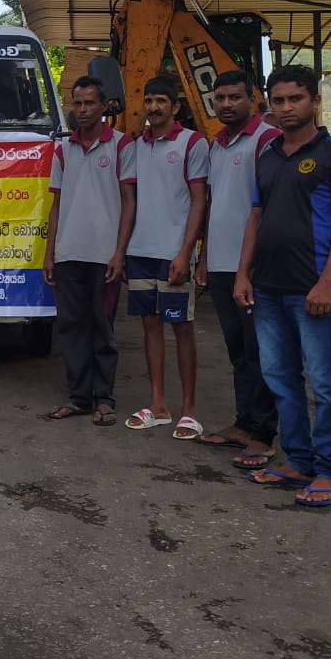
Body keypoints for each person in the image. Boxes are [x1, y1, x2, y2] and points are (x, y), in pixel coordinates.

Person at [235, 65, 331, 507]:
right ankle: (299, 461)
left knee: (325, 384)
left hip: (313, 290)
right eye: (278, 99)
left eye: (295, 98)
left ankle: (330, 472)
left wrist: (328, 283)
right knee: (280, 380)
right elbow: (256, 217)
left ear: (315, 101)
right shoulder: (268, 154)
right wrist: (243, 274)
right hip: (267, 289)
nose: (285, 107)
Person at [195, 71, 281, 468]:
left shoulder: (265, 140)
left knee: (262, 352)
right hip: (221, 264)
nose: (226, 104)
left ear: (252, 99)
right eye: (220, 98)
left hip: (255, 267)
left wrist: (250, 267)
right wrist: (205, 256)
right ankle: (243, 423)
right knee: (238, 352)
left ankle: (264, 434)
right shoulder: (216, 144)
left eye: (234, 97)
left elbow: (268, 206)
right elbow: (213, 203)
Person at [41, 76, 136, 426]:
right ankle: (79, 397)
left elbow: (129, 202)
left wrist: (119, 252)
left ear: (103, 106)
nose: (82, 110)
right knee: (71, 328)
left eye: (89, 103)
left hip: (104, 257)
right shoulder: (63, 150)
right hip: (68, 254)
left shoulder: (122, 146)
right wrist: (50, 254)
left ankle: (104, 399)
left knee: (103, 328)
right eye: (77, 104)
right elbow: (56, 204)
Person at [123, 76, 209, 439]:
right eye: (149, 100)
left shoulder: (192, 143)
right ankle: (158, 405)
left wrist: (186, 252)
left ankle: (189, 410)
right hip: (140, 251)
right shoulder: (134, 146)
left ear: (175, 107)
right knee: (150, 325)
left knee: (182, 327)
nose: (154, 107)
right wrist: (122, 251)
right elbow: (128, 202)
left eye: (162, 100)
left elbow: (199, 200)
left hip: (174, 253)